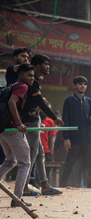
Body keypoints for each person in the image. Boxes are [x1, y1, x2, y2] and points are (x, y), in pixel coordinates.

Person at [22, 54, 64, 196]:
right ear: (39, 66)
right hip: (29, 121)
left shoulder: (34, 81)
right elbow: (40, 102)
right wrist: (55, 118)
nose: (48, 67)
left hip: (34, 120)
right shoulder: (31, 82)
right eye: (46, 64)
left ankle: (44, 185)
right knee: (32, 154)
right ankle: (24, 187)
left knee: (39, 154)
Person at [0, 64, 34, 207]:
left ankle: (17, 198)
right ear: (21, 75)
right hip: (13, 130)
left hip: (3, 130)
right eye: (29, 75)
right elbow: (11, 102)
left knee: (10, 161)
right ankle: (17, 199)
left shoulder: (13, 85)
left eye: (33, 76)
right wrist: (19, 124)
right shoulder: (22, 86)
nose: (32, 78)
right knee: (25, 163)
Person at [61, 76, 91, 188]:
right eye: (80, 84)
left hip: (87, 139)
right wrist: (66, 138)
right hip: (74, 139)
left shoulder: (88, 101)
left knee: (90, 165)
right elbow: (65, 120)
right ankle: (62, 186)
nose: (83, 86)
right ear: (75, 85)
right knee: (69, 164)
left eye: (84, 84)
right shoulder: (69, 101)